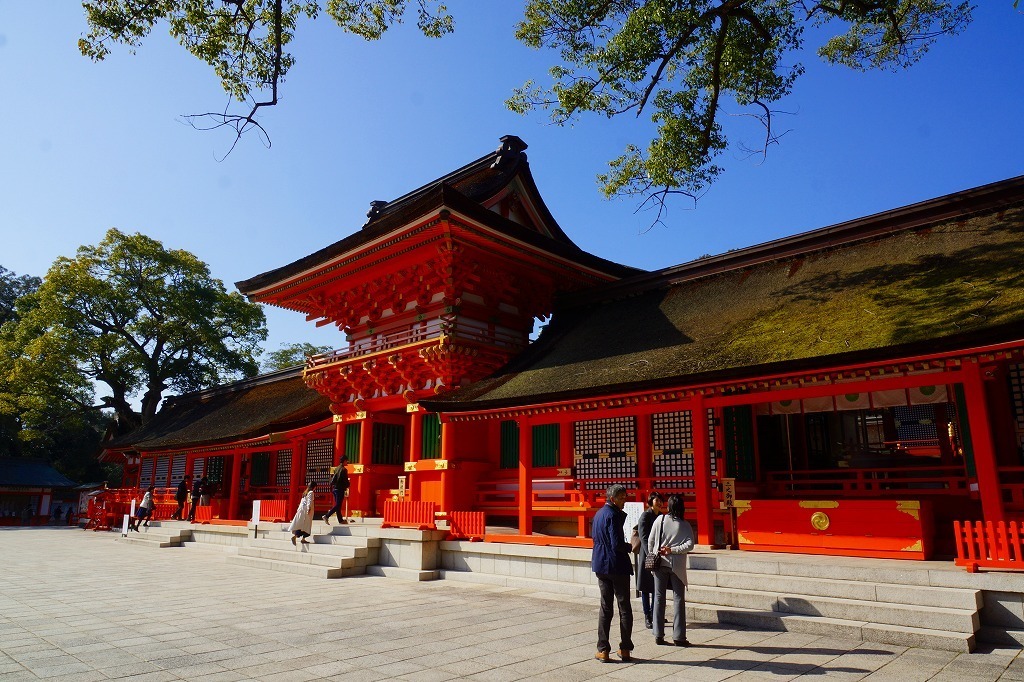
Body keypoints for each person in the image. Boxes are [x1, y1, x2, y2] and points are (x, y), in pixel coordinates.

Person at [591, 483, 634, 663]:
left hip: (601, 564)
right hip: (616, 565)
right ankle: (625, 648)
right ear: (612, 499)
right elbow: (616, 543)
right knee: (624, 607)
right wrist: (630, 546)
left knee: (605, 607)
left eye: (625, 497)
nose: (624, 501)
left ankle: (603, 649)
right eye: (621, 498)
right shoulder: (613, 516)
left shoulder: (598, 514)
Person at [647, 494, 696, 647]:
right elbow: (690, 545)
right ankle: (679, 636)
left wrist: (654, 554)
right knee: (678, 599)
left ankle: (658, 634)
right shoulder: (684, 525)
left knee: (659, 598)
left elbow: (651, 541)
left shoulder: (659, 520)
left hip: (660, 563)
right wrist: (673, 550)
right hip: (677, 566)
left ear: (668, 506)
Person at [637, 491, 666, 629]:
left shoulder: (661, 516)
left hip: (658, 553)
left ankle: (656, 614)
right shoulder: (645, 516)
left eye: (661, 500)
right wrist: (650, 553)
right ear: (651, 501)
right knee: (646, 587)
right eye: (657, 500)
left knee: (657, 586)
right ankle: (647, 615)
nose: (659, 503)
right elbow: (643, 537)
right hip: (647, 555)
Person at [322, 456, 349, 525]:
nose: (347, 462)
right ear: (344, 461)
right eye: (346, 461)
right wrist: (348, 485)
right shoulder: (344, 470)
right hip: (340, 489)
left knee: (338, 505)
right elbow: (345, 481)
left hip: (335, 489)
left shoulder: (336, 468)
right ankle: (327, 515)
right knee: (338, 505)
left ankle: (340, 520)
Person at [289, 482, 316, 546]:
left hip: (302, 510)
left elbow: (302, 502)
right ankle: (298, 537)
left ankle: (300, 538)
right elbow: (309, 501)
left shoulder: (305, 492)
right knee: (306, 526)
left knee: (303, 526)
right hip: (306, 511)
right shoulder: (311, 493)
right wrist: (308, 509)